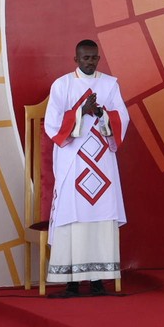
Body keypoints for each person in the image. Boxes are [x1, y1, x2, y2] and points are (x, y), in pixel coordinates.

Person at [45, 39, 127, 295]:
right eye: (85, 58)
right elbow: (52, 125)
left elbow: (121, 117)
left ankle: (97, 280)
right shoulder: (62, 85)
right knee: (73, 217)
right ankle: (71, 281)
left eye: (94, 58)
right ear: (75, 60)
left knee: (100, 215)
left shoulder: (109, 84)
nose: (90, 62)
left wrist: (101, 114)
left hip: (102, 162)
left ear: (98, 58)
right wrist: (81, 112)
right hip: (73, 161)